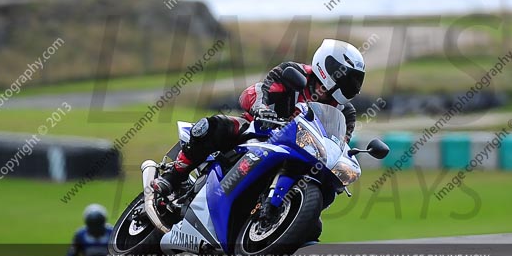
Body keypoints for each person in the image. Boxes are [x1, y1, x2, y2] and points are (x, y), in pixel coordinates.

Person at [150, 39, 366, 198]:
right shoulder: (294, 72)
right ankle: (173, 177)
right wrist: (262, 109)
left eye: (356, 81)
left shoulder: (345, 112)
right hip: (262, 130)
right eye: (347, 77)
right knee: (214, 127)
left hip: (302, 153)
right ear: (327, 66)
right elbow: (264, 89)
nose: (351, 85)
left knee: (326, 191)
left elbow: (340, 143)